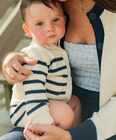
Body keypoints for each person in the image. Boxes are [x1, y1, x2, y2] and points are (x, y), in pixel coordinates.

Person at [1, 0, 116, 139]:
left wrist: (72, 136)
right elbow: (39, 49)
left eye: (55, 20)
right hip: (54, 109)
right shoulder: (51, 4)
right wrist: (13, 57)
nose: (49, 27)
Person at [9, 0, 82, 132]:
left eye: (55, 20)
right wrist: (43, 121)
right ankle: (54, 135)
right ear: (28, 30)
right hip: (27, 108)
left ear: (64, 20)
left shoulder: (54, 49)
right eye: (40, 24)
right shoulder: (35, 55)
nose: (50, 28)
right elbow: (34, 90)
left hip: (50, 101)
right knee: (65, 113)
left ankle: (73, 135)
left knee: (75, 102)